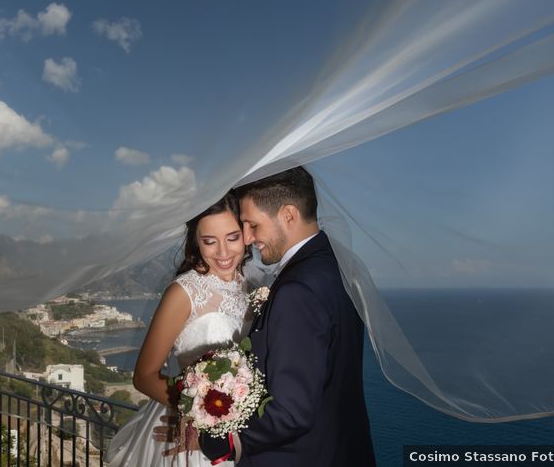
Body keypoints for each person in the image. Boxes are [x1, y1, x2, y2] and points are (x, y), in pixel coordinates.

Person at [195, 166, 376, 466]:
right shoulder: (335, 266)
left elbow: (291, 413)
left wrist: (223, 440)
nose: (249, 238)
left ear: (288, 215)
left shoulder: (298, 290)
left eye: (252, 225)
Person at [106, 192, 252, 466]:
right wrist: (197, 415)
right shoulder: (183, 292)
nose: (223, 252)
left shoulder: (253, 287)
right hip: (191, 435)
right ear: (196, 242)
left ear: (246, 233)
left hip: (237, 436)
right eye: (210, 241)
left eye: (232, 237)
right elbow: (144, 377)